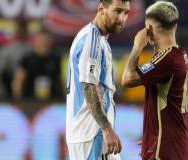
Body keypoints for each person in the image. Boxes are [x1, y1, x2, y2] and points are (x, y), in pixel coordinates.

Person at [122, 1, 188, 160]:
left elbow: (127, 78)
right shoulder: (180, 54)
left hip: (162, 151)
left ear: (149, 29)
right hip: (171, 146)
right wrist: (151, 134)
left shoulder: (166, 60)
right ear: (175, 26)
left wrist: (137, 47)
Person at [65, 0, 130, 159]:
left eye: (126, 13)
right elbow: (88, 87)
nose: (122, 18)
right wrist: (107, 129)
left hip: (94, 132)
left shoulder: (100, 40)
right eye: (117, 11)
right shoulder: (91, 40)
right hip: (91, 132)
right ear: (102, 8)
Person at [12, 28, 64, 100]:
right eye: (42, 39)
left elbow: (61, 80)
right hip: (30, 101)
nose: (44, 42)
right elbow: (18, 82)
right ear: (36, 40)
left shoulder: (57, 59)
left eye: (47, 39)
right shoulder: (27, 59)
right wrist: (18, 99)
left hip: (53, 100)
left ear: (51, 41)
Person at [0, 20, 31, 98]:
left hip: (28, 82)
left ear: (27, 32)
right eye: (19, 30)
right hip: (10, 81)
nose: (21, 33)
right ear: (16, 32)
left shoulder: (31, 50)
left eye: (23, 31)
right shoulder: (8, 49)